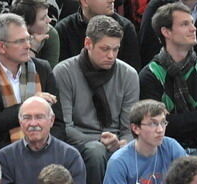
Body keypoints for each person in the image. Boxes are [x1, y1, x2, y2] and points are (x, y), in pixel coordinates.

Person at [53, 15, 139, 184]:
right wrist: (99, 140)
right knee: (96, 151)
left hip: (116, 140)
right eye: (105, 49)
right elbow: (66, 127)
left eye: (115, 49)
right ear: (88, 44)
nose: (111, 55)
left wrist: (123, 144)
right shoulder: (63, 72)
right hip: (81, 140)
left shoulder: (128, 74)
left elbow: (129, 127)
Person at [0, 12, 66, 154]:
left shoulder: (42, 69)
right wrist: (30, 104)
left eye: (28, 39)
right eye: (20, 41)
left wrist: (43, 145)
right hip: (2, 153)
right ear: (1, 46)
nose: (28, 46)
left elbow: (58, 123)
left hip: (45, 148)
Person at [138, 2, 197, 149]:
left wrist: (175, 121)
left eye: (192, 23)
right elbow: (156, 126)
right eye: (185, 24)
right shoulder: (150, 75)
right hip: (164, 151)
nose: (193, 28)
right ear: (166, 32)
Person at [55, 0, 139, 67]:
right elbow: (62, 74)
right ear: (84, 1)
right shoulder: (63, 30)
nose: (112, 0)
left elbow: (131, 73)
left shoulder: (126, 27)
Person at [0, 95, 86, 184]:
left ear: (51, 120)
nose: (33, 123)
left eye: (39, 117)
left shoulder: (70, 156)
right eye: (27, 118)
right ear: (20, 122)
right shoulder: (5, 158)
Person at [103, 100, 187, 184]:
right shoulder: (119, 162)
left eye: (163, 122)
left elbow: (190, 177)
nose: (160, 130)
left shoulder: (171, 147)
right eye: (153, 124)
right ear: (135, 128)